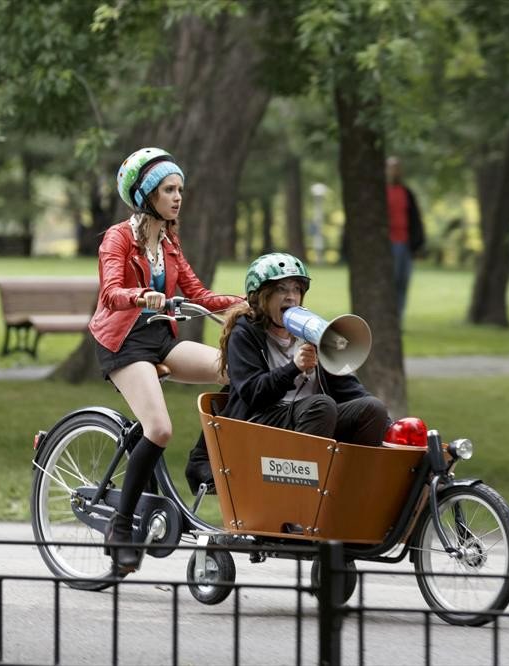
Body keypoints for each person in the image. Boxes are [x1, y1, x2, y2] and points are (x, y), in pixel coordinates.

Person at [92, 147, 241, 574]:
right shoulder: (118, 238)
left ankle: (200, 463)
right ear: (145, 195)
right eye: (168, 189)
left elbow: (200, 295)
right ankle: (121, 527)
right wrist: (141, 295)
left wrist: (250, 302)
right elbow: (109, 293)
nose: (177, 197)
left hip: (159, 338)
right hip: (124, 342)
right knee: (158, 430)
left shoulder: (169, 242)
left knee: (236, 371)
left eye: (180, 189)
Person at [217, 252, 388, 444]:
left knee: (373, 408)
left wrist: (389, 425)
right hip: (262, 425)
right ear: (259, 298)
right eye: (281, 289)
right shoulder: (244, 334)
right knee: (322, 406)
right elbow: (253, 394)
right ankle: (314, 472)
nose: (291, 297)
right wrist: (294, 368)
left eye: (297, 289)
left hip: (313, 420)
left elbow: (347, 387)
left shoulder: (309, 330)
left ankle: (355, 473)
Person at [385, 156, 426, 323]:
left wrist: (418, 244)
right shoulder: (381, 192)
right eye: (391, 167)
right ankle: (387, 318)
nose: (394, 171)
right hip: (389, 244)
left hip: (405, 244)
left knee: (402, 283)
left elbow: (416, 219)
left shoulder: (406, 192)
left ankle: (398, 319)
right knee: (391, 283)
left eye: (397, 167)